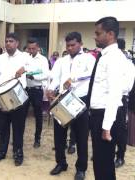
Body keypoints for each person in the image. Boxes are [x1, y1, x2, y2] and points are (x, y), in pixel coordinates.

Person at [47, 32, 95, 180]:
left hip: (80, 100)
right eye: (67, 45)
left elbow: (91, 75)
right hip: (62, 100)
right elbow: (55, 77)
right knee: (59, 135)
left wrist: (72, 79)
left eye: (73, 45)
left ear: (80, 44)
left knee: (81, 137)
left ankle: (81, 168)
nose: (70, 48)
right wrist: (50, 88)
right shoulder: (62, 61)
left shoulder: (89, 58)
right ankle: (61, 163)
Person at [88, 16, 125, 180]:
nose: (95, 37)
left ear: (110, 34)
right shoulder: (104, 56)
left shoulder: (114, 57)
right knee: (100, 163)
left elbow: (115, 93)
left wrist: (106, 126)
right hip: (98, 115)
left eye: (98, 33)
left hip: (105, 117)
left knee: (104, 165)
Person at [0, 33, 29, 166]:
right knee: (3, 126)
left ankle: (18, 152)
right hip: (2, 97)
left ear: (17, 43)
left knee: (18, 127)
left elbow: (36, 69)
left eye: (11, 41)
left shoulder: (25, 56)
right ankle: (2, 151)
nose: (8, 43)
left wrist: (25, 68)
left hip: (18, 95)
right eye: (6, 41)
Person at [114, 38, 135, 168]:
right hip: (105, 100)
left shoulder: (128, 65)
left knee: (120, 129)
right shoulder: (106, 61)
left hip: (120, 99)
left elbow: (127, 86)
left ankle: (120, 156)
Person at [25, 38, 50, 148]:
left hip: (37, 90)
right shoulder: (25, 58)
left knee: (38, 115)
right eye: (29, 48)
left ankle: (37, 139)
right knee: (21, 114)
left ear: (38, 48)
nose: (31, 50)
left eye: (33, 48)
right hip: (25, 90)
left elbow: (45, 75)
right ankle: (19, 137)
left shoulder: (43, 59)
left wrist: (33, 76)